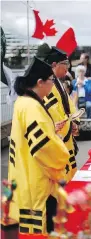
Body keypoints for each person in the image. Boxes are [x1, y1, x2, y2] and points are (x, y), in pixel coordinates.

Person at [8, 57, 70, 234]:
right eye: (51, 81)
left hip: (23, 173)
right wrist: (61, 158)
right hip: (36, 178)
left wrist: (51, 130)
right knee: (41, 229)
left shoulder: (23, 101)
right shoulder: (32, 106)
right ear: (40, 82)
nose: (52, 85)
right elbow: (44, 148)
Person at [43, 47, 78, 182]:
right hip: (59, 132)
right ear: (54, 65)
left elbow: (68, 104)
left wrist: (75, 121)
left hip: (66, 129)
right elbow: (53, 111)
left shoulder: (57, 81)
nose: (67, 69)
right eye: (65, 65)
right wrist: (69, 124)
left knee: (69, 174)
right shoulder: (47, 83)